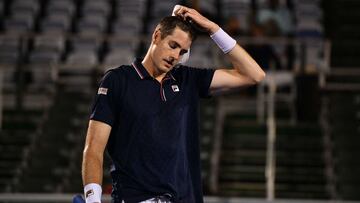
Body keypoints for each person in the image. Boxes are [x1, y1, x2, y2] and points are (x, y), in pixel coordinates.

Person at [82, 5, 265, 203]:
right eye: (173, 45)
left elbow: (254, 75)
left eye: (183, 51)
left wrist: (213, 29)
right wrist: (92, 199)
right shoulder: (117, 80)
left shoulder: (188, 79)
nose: (175, 56)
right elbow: (93, 149)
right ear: (157, 36)